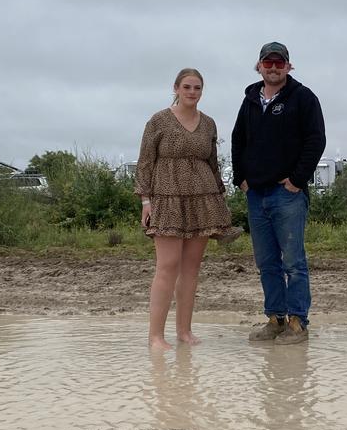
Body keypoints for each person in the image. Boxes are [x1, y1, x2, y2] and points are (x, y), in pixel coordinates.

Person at [231, 41, 327, 345]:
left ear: (289, 66)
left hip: (287, 195)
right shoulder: (249, 100)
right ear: (259, 66)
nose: (273, 68)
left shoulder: (303, 98)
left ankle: (298, 323)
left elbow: (316, 140)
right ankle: (275, 319)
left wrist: (298, 179)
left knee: (293, 262)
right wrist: (240, 179)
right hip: (256, 195)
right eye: (268, 63)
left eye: (279, 63)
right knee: (267, 263)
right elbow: (237, 140)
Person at [136, 68, 238, 350]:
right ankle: (155, 336)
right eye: (187, 87)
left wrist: (220, 198)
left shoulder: (209, 124)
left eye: (197, 88)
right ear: (176, 88)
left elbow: (214, 163)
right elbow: (145, 161)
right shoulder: (158, 121)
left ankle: (184, 331)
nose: (192, 92)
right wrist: (146, 200)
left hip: (203, 198)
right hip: (167, 198)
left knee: (191, 269)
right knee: (167, 266)